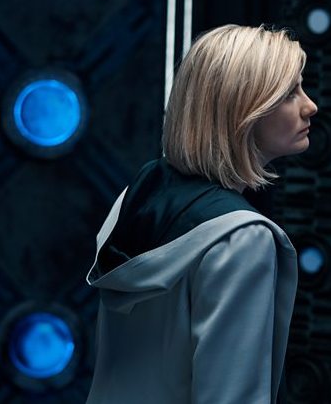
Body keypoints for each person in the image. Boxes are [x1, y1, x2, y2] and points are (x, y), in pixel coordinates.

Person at [85, 24, 318, 403]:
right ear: (243, 109)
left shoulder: (136, 198)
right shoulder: (242, 239)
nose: (310, 106)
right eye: (289, 93)